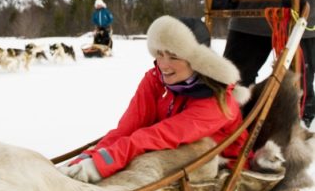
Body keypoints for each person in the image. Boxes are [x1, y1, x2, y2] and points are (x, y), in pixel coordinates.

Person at [60, 16, 249, 182]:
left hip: (221, 165)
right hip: (169, 149)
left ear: (198, 62)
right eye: (160, 54)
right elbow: (128, 128)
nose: (164, 65)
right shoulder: (155, 80)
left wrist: (102, 163)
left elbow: (159, 135)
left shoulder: (218, 103)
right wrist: (88, 158)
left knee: (140, 163)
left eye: (174, 57)